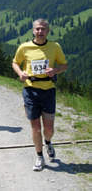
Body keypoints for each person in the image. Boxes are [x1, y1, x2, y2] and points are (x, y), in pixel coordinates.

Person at [12, 18, 67, 171]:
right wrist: (20, 73)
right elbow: (15, 62)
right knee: (35, 128)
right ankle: (39, 156)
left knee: (48, 130)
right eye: (37, 29)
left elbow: (64, 65)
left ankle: (48, 142)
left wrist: (55, 70)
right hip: (30, 90)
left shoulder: (55, 47)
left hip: (48, 90)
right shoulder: (25, 47)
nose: (40, 32)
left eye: (43, 29)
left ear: (47, 31)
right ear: (33, 30)